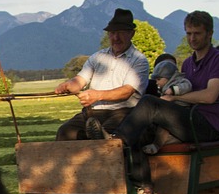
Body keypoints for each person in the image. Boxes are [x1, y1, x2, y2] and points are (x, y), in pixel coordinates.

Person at [113, 10, 219, 194]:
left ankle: (114, 145)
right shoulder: (188, 62)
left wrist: (174, 97)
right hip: (188, 117)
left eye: (197, 33)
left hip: (209, 125)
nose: (192, 38)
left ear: (209, 34)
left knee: (150, 103)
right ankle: (142, 185)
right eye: (188, 33)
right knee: (142, 126)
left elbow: (210, 96)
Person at [53, 8, 150, 140]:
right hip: (92, 112)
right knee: (65, 132)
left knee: (104, 137)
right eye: (112, 33)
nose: (116, 38)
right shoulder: (97, 57)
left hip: (122, 113)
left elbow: (127, 91)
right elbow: (81, 80)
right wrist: (69, 85)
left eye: (121, 33)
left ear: (131, 34)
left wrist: (97, 95)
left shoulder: (139, 60)